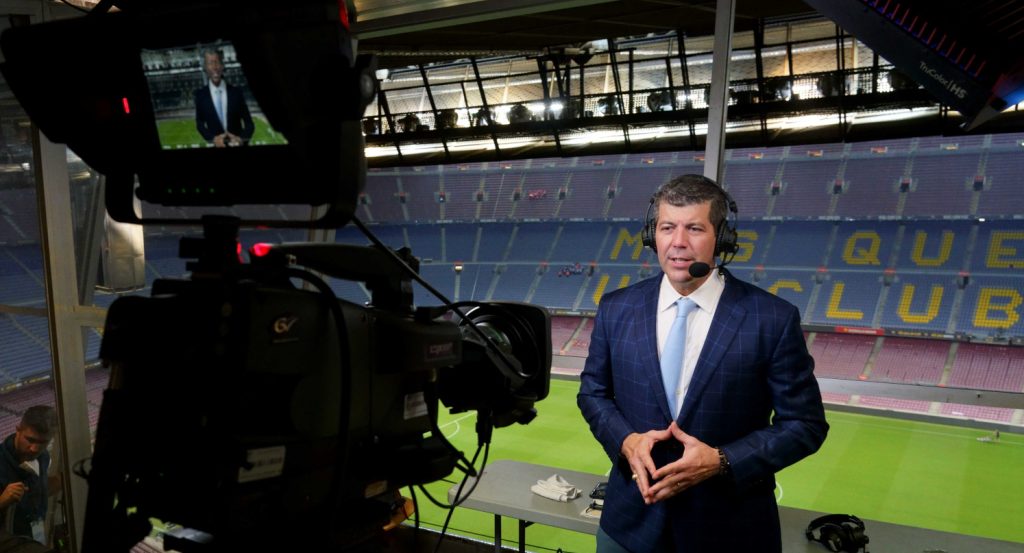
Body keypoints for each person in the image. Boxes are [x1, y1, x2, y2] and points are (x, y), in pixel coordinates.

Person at [578, 174, 829, 552]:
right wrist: (626, 441)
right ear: (652, 236)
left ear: (722, 238)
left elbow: (805, 425)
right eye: (667, 228)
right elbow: (593, 394)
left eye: (694, 228)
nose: (678, 242)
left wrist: (722, 460)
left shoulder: (771, 318)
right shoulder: (617, 308)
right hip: (628, 526)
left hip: (729, 532)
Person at [0, 406, 57, 544]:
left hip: (35, 539)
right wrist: (1, 501)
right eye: (30, 440)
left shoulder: (43, 457)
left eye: (43, 442)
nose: (34, 449)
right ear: (18, 430)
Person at [193, 48, 254, 147]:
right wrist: (213, 139)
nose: (214, 67)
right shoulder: (200, 95)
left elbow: (249, 124)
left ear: (222, 66)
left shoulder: (236, 92)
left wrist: (241, 139)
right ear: (205, 67)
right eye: (210, 63)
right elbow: (200, 125)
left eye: (217, 62)